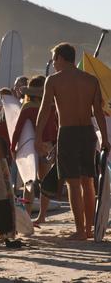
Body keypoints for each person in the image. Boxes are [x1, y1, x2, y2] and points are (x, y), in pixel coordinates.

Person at [36, 43, 108, 240]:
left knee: (73, 184)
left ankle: (79, 231)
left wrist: (37, 137)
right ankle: (89, 228)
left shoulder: (53, 80)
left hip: (67, 133)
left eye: (53, 60)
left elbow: (44, 111)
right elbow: (99, 113)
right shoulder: (91, 80)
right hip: (88, 132)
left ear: (60, 58)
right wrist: (106, 139)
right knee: (88, 181)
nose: (53, 64)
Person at [10, 76, 58, 223]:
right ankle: (41, 216)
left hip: (31, 146)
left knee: (29, 182)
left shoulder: (28, 106)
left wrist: (13, 147)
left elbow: (18, 130)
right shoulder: (51, 104)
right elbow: (56, 125)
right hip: (48, 145)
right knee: (44, 182)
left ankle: (27, 214)